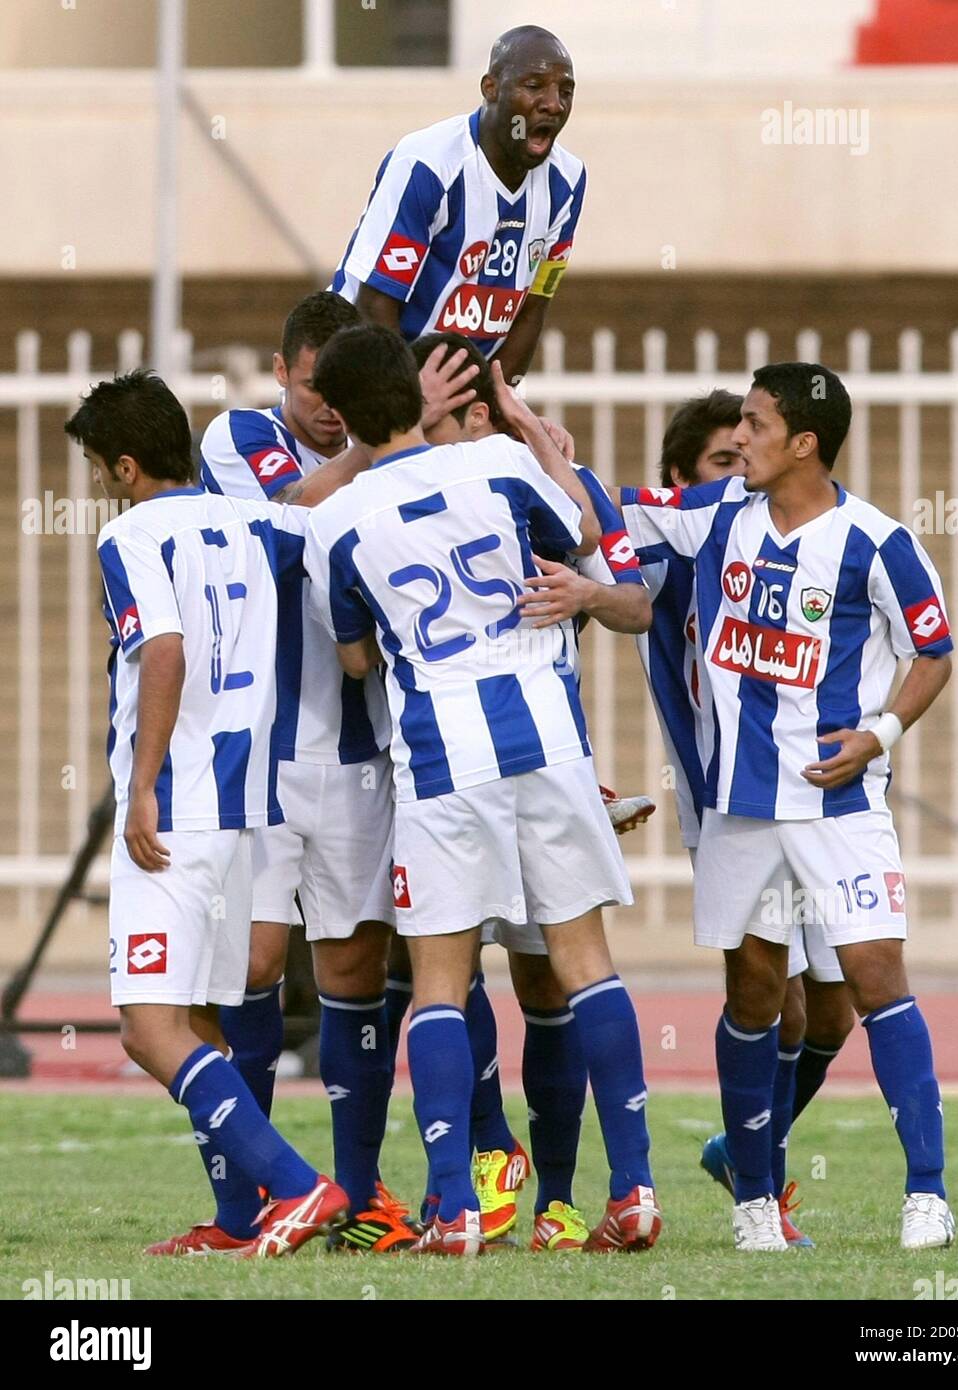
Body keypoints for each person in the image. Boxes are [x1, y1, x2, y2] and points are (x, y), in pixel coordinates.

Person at [305, 324, 661, 1256]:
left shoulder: (335, 521)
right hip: (547, 735)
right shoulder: (501, 464)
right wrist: (530, 432)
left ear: (338, 415)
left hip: (440, 757)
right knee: (586, 961)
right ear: (420, 392)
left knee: (437, 984)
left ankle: (456, 1207)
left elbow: (351, 660)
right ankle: (634, 1189)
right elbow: (584, 532)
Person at [620, 362, 955, 1252]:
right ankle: (754, 1204)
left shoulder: (875, 542)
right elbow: (603, 502)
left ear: (803, 443)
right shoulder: (718, 515)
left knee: (875, 975)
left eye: (758, 427)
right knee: (756, 991)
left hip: (838, 804)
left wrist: (877, 735)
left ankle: (928, 1193)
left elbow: (934, 650)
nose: (743, 443)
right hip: (740, 807)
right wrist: (525, 429)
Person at [68, 370, 352, 1258]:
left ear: (122, 467)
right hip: (246, 812)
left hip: (178, 811)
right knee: (203, 1022)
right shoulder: (250, 520)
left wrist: (142, 783)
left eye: (92, 468)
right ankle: (237, 1221)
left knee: (148, 1028)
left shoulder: (131, 537)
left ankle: (303, 1189)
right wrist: (389, 429)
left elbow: (164, 650)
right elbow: (316, 507)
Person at [408, 330, 651, 1250]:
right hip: (469, 766)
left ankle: (555, 1194)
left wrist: (585, 596)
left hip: (530, 762)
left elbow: (629, 596)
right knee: (449, 966)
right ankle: (489, 1151)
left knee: (543, 982)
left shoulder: (521, 480)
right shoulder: (488, 481)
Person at [199, 291, 430, 1251]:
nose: (331, 409)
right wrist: (375, 445)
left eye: (347, 395)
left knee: (354, 965)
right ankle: (243, 1205)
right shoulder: (238, 435)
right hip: (260, 750)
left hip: (358, 752)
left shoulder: (381, 458)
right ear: (286, 369)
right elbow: (292, 513)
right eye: (315, 389)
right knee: (250, 965)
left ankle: (362, 1193)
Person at [638, 391, 855, 1246]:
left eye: (748, 455)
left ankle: (743, 1151)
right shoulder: (670, 556)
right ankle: (756, 1195)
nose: (742, 475)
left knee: (832, 1012)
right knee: (774, 998)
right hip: (731, 800)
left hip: (818, 797)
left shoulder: (790, 540)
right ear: (681, 482)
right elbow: (610, 578)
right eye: (722, 463)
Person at [330, 25, 584, 382]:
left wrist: (491, 408)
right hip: (364, 378)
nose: (554, 103)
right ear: (490, 88)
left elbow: (534, 305)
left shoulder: (568, 182)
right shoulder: (429, 164)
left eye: (566, 90)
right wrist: (411, 418)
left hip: (453, 401)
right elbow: (375, 306)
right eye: (533, 85)